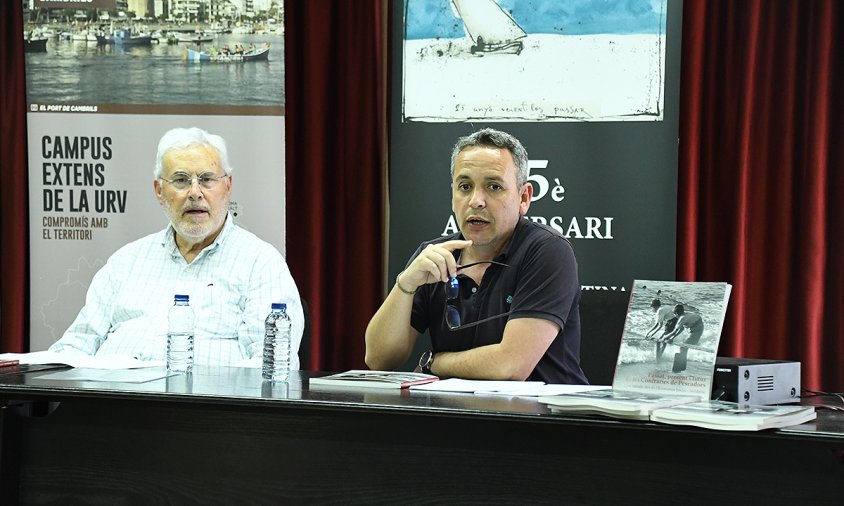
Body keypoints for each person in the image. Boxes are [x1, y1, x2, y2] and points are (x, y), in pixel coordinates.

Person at [49, 127, 305, 368]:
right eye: (181, 180)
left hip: (202, 410)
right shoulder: (126, 261)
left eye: (206, 179)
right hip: (108, 404)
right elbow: (76, 346)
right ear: (159, 190)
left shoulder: (261, 263)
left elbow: (272, 367)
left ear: (228, 186)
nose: (195, 192)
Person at [364, 128, 588, 384]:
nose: (476, 201)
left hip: (544, 419)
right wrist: (406, 284)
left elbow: (510, 366)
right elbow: (378, 359)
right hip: (458, 417)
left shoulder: (547, 250)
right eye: (465, 186)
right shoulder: (436, 255)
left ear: (524, 197)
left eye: (493, 186)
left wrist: (433, 363)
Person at [658, 304, 704, 372]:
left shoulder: (682, 318)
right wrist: (671, 338)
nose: (674, 316)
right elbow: (681, 329)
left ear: (676, 313)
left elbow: (674, 331)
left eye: (674, 314)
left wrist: (665, 337)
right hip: (696, 326)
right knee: (684, 346)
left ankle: (680, 367)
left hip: (698, 328)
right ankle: (682, 366)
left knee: (684, 346)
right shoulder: (683, 316)